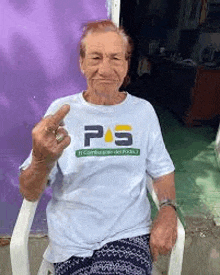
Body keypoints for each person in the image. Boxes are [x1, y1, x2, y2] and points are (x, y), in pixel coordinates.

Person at [19, 19, 177, 275]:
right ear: (82, 64)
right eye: (95, 58)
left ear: (126, 66)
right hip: (70, 241)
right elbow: (29, 191)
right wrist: (40, 160)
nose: (105, 69)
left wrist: (168, 209)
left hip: (128, 235)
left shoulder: (142, 112)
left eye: (116, 58)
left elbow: (162, 170)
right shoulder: (61, 114)